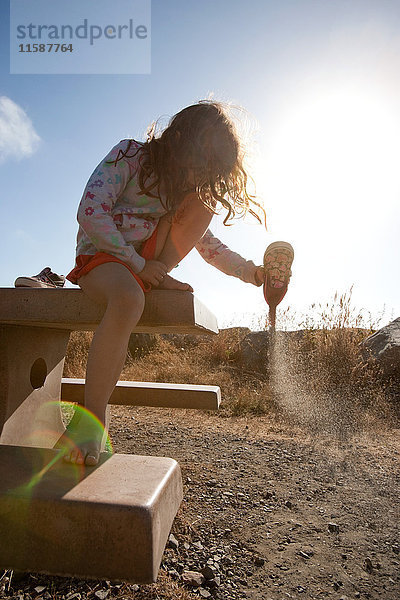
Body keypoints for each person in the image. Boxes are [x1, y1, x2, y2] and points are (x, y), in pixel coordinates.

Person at [58, 100, 292, 466]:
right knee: (128, 298)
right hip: (103, 255)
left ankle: (157, 274)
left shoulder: (188, 190)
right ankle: (89, 420)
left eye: (210, 171)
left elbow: (209, 246)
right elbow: (90, 211)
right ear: (177, 139)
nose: (198, 178)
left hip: (146, 264)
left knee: (205, 204)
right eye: (200, 164)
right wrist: (137, 263)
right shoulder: (129, 156)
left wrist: (252, 273)